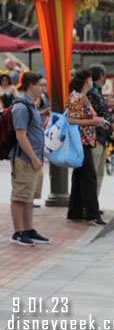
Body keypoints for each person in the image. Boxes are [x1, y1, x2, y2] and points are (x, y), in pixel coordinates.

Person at [9, 72, 49, 246]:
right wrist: (33, 158)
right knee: (20, 196)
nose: (43, 88)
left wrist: (41, 113)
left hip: (32, 158)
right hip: (25, 159)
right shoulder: (20, 106)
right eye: (41, 84)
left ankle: (28, 229)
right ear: (32, 86)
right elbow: (21, 135)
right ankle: (18, 232)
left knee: (29, 196)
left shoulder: (30, 104)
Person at [65, 69, 106, 225]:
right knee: (89, 178)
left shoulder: (79, 97)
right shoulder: (78, 98)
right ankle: (92, 213)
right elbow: (71, 120)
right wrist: (93, 122)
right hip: (82, 141)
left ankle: (75, 211)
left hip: (84, 140)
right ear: (87, 80)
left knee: (79, 177)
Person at [87, 64, 112, 197]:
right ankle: (90, 206)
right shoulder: (92, 93)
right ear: (101, 76)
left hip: (102, 138)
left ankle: (94, 205)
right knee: (93, 174)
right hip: (95, 137)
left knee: (99, 174)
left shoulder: (97, 92)